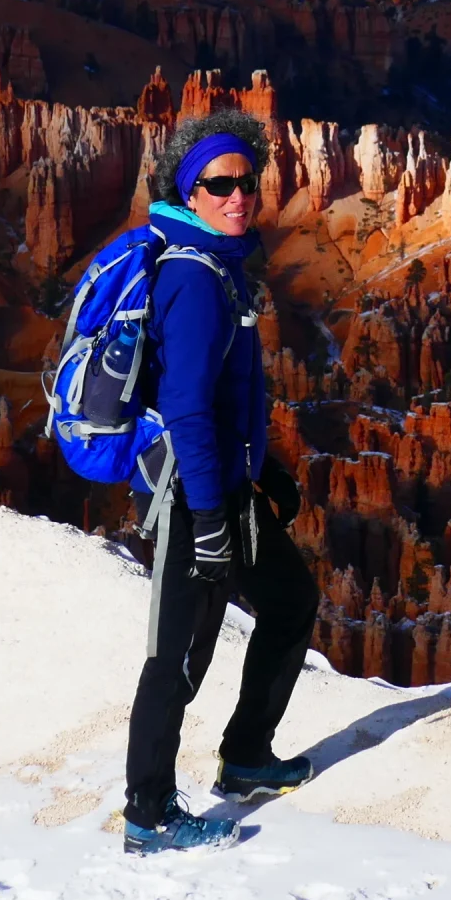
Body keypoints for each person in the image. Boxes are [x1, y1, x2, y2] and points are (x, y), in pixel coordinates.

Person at [120, 112, 319, 855]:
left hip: (227, 485)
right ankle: (149, 812)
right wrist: (208, 517)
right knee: (178, 652)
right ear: (190, 191)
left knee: (291, 599)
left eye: (248, 181)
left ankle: (244, 758)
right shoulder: (194, 280)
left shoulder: (222, 265)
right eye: (220, 184)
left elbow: (228, 402)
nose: (239, 196)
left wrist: (262, 470)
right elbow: (189, 410)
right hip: (189, 493)